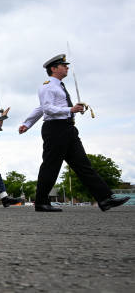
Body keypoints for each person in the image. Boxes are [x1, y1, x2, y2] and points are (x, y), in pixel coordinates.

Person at [19, 54, 129, 212]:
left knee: (84, 165)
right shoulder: (48, 85)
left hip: (68, 129)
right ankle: (41, 202)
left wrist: (27, 123)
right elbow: (47, 108)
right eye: (63, 65)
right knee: (51, 166)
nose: (67, 67)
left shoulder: (59, 86)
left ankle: (105, 198)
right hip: (55, 129)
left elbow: (42, 107)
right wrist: (69, 109)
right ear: (54, 68)